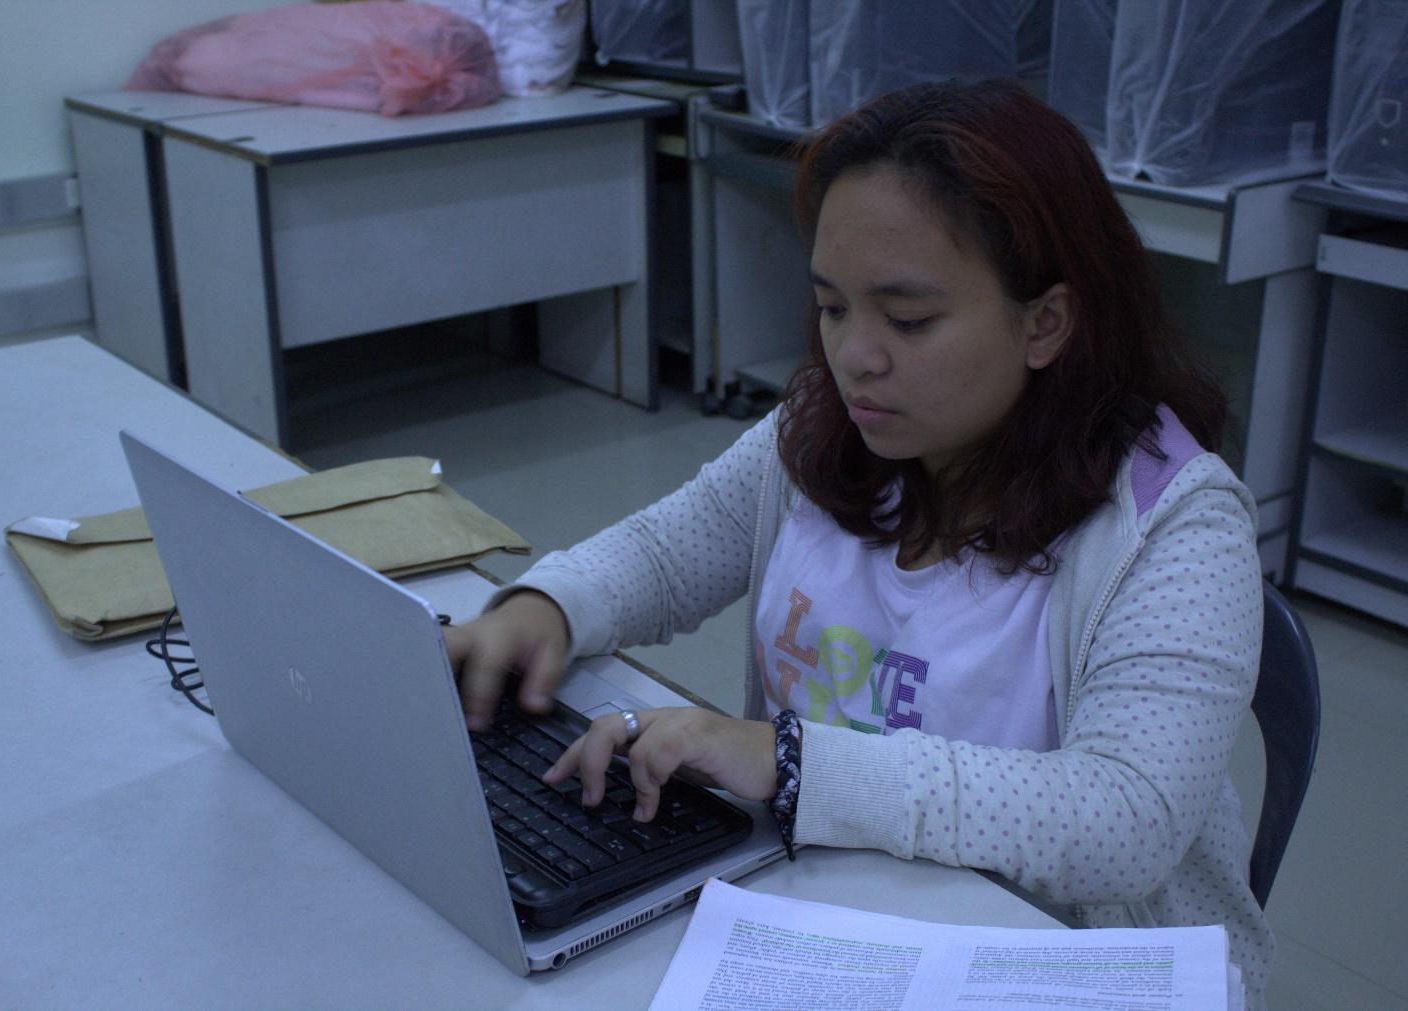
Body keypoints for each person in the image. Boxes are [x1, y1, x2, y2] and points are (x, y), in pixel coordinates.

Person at [445, 78, 1271, 1005]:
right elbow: (668, 552)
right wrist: (547, 605)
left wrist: (797, 765)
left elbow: (1126, 820)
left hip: (1055, 961)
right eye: (833, 307)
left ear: (1046, 322)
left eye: (908, 319)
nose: (855, 356)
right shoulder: (829, 429)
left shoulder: (1174, 524)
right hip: (835, 921)